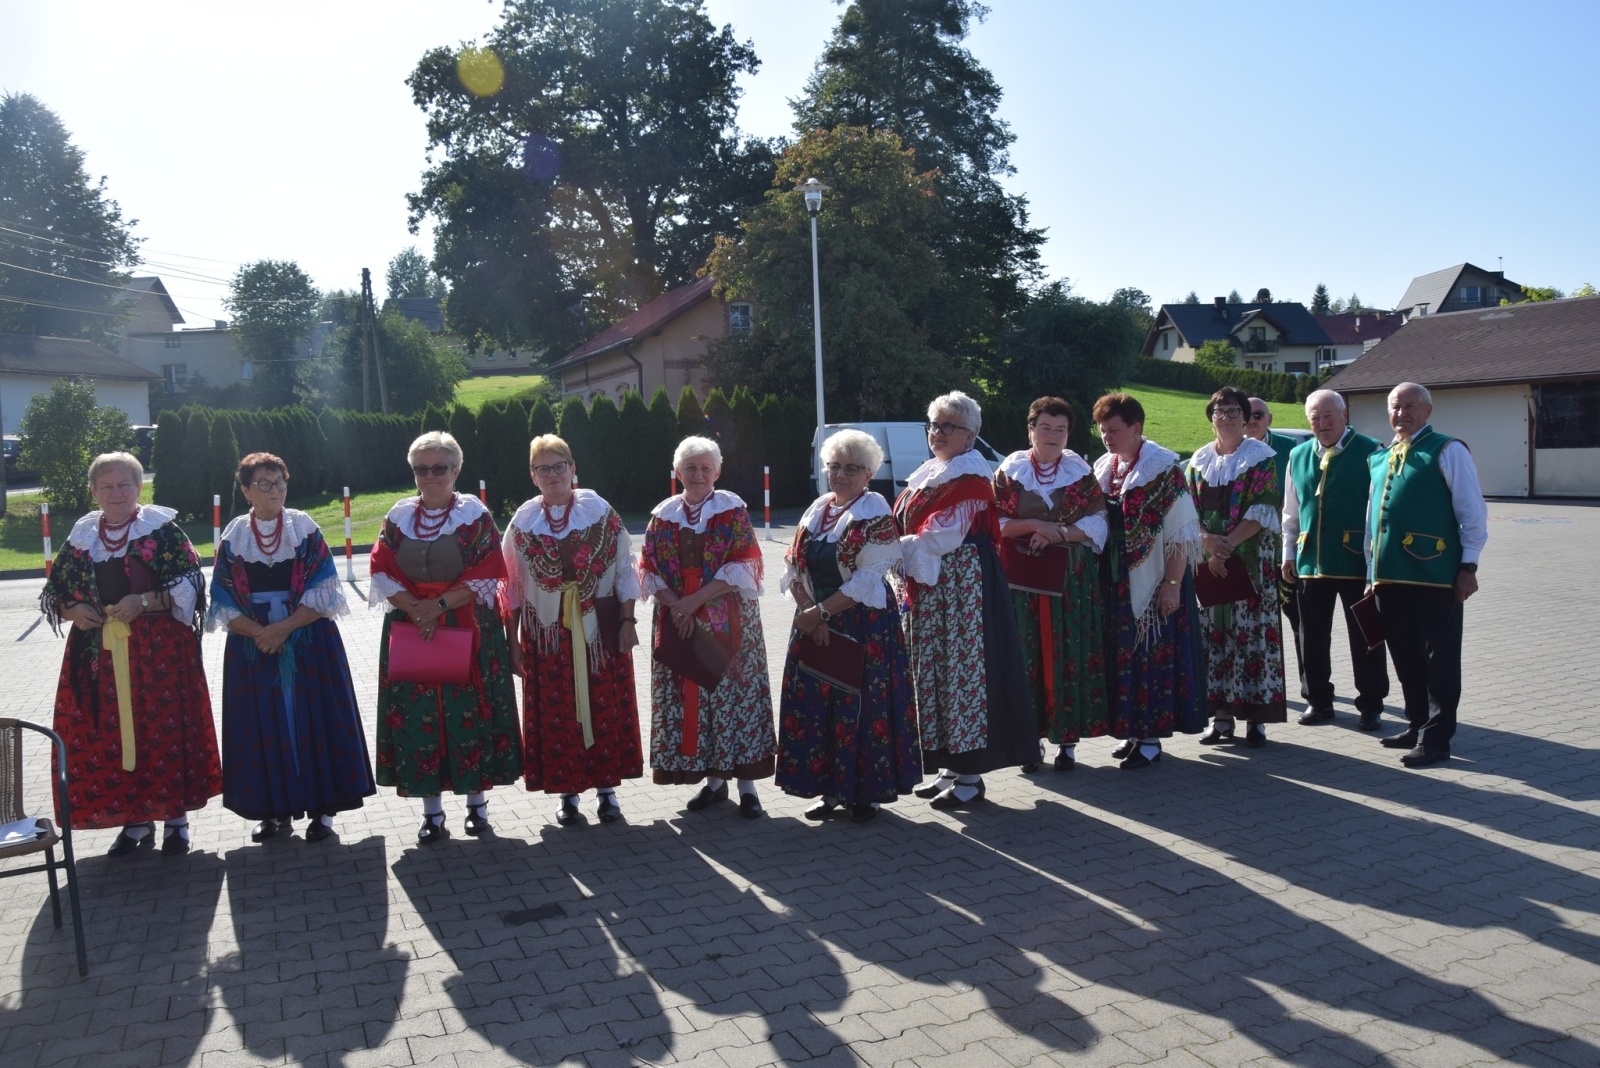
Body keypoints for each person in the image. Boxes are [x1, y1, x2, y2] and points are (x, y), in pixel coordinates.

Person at [40, 451, 221, 856]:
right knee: (113, 733)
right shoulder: (83, 534)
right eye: (106, 486)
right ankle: (135, 820)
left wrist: (144, 600)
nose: (116, 492)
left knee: (163, 728)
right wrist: (72, 609)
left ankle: (175, 820)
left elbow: (192, 583)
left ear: (140, 488)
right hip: (97, 653)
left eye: (124, 484)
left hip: (158, 653)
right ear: (93, 491)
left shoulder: (162, 531)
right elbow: (57, 590)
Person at [208, 452, 375, 842]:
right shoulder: (234, 535)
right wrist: (260, 633)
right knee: (264, 725)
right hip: (253, 647)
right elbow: (222, 599)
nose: (275, 490)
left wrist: (282, 628)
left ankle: (323, 810)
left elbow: (324, 587)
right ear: (247, 490)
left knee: (314, 719)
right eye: (264, 484)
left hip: (308, 640)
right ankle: (273, 811)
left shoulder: (304, 527)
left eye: (280, 482)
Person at [368, 431, 522, 843]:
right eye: (422, 468)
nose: (431, 476)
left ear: (456, 469)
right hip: (412, 625)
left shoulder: (474, 515)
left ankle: (476, 805)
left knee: (467, 712)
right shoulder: (398, 516)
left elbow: (488, 569)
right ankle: (432, 813)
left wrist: (435, 607)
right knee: (420, 718)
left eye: (440, 468)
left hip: (465, 626)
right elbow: (381, 567)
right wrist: (417, 608)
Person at [896, 391, 1033, 807]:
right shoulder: (931, 473)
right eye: (934, 425)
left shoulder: (971, 479)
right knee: (935, 671)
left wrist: (888, 549)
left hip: (964, 591)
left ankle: (971, 776)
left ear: (970, 436)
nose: (937, 433)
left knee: (963, 674)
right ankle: (949, 766)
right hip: (935, 590)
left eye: (947, 426)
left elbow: (940, 538)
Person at [776, 429, 920, 822]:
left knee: (858, 705)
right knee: (817, 704)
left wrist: (821, 614)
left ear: (868, 473)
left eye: (851, 468)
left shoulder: (873, 511)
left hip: (861, 622)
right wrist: (809, 611)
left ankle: (864, 793)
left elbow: (868, 578)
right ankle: (828, 790)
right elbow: (792, 564)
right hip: (814, 619)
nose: (840, 475)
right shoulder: (819, 508)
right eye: (835, 466)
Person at [503, 434, 643, 827]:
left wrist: (628, 622)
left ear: (573, 468)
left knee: (603, 706)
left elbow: (623, 569)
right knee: (557, 712)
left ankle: (607, 792)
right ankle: (567, 794)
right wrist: (511, 640)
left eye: (558, 465)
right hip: (546, 636)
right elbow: (511, 586)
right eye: (542, 468)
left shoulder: (599, 511)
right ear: (533, 476)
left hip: (599, 629)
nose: (552, 475)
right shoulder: (522, 522)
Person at [639, 436, 776, 818]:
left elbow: (743, 565)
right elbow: (648, 568)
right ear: (677, 472)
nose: (697, 474)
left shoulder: (732, 510)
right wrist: (676, 605)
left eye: (705, 468)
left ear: (717, 471)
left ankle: (747, 786)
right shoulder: (663, 514)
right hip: (680, 621)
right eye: (690, 468)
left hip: (729, 622)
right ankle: (714, 783)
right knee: (694, 700)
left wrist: (691, 602)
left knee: (734, 699)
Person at [1367, 382, 1487, 768]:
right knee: (1405, 656)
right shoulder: (1381, 457)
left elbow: (1472, 512)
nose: (1401, 413)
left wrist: (1468, 566)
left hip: (1436, 576)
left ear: (1428, 411)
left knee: (1440, 661)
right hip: (1389, 577)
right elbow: (1372, 521)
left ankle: (1436, 741)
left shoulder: (1448, 450)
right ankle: (1416, 723)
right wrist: (1371, 569)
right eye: (1395, 406)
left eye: (1410, 406)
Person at [993, 396, 1108, 771]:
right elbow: (993, 523)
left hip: (1068, 582)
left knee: (1064, 655)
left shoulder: (1080, 473)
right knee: (1026, 659)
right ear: (1030, 430)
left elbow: (1098, 524)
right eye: (1045, 428)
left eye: (1060, 430)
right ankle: (1031, 742)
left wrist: (1058, 533)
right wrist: (1034, 526)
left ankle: (1068, 742)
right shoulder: (1010, 472)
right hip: (1021, 583)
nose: (1052, 436)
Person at [1091, 394, 1205, 768]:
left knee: (1151, 655)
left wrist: (1172, 586)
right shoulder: (1106, 467)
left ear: (1137, 428)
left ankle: (1151, 738)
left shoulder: (1163, 470)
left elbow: (1181, 533)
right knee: (1124, 654)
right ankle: (1133, 730)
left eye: (1114, 430)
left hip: (1155, 578)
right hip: (1115, 578)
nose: (1107, 437)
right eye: (1102, 430)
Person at [1280, 391, 1390, 730]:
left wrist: (1376, 564)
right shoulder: (1298, 454)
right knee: (1310, 636)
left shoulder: (1371, 451)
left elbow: (1380, 512)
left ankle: (1371, 704)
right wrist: (1287, 553)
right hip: (1311, 560)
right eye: (1315, 417)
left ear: (1345, 415)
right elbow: (1291, 511)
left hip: (1357, 560)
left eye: (1328, 416)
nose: (1322, 423)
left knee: (1366, 636)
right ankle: (1318, 701)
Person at [1186, 387, 1289, 746]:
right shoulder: (1197, 461)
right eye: (1219, 411)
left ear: (1246, 418)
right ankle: (1221, 719)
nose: (1226, 417)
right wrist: (1207, 542)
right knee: (1213, 638)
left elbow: (1263, 508)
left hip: (1249, 561)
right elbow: (1188, 512)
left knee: (1251, 637)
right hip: (1210, 561)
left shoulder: (1261, 457)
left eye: (1233, 411)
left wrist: (1227, 544)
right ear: (1210, 417)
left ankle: (1255, 720)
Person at [1248, 396, 1304, 692]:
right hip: (1246, 552)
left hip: (1285, 550)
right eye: (1247, 415)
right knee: (1253, 623)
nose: (1252, 420)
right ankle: (1258, 686)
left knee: (1298, 620)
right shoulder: (1230, 451)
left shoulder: (1290, 449)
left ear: (1269, 418)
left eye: (1259, 415)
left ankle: (1312, 691)